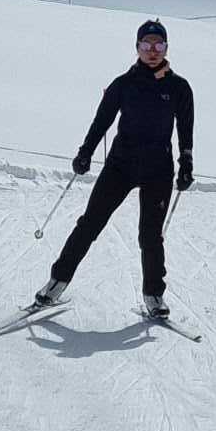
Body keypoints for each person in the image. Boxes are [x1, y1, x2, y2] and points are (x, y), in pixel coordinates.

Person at [34, 20, 194, 321]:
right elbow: (101, 122)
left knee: (150, 235)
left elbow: (186, 129)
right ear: (137, 48)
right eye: (146, 45)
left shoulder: (179, 88)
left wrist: (186, 162)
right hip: (121, 165)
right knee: (90, 223)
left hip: (158, 169)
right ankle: (57, 281)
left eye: (158, 45)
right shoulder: (123, 84)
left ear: (166, 48)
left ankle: (153, 295)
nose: (152, 51)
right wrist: (85, 153)